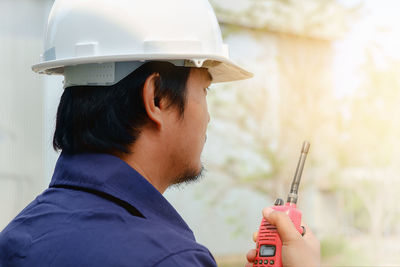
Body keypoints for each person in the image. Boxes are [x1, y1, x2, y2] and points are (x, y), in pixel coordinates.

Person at [0, 0, 320, 266]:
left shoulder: (14, 241)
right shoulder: (169, 259)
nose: (207, 117)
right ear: (157, 98)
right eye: (205, 90)